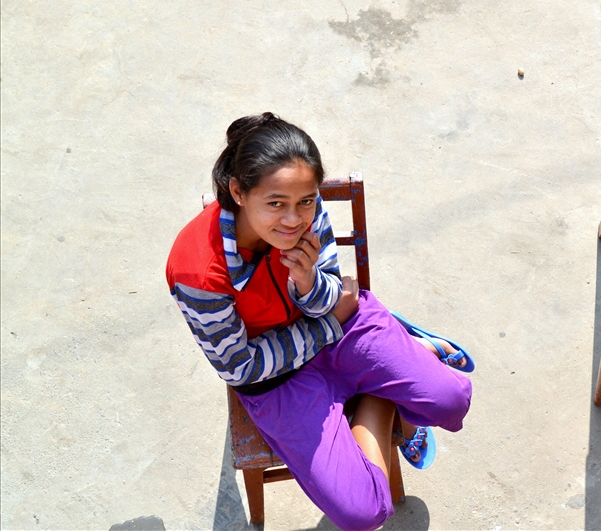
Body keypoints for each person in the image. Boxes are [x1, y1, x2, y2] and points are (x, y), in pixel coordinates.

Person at [165, 113, 472, 531]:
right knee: (363, 513)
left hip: (341, 331)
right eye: (275, 204)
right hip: (278, 380)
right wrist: (329, 324)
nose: (294, 221)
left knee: (452, 401)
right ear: (238, 191)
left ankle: (391, 368)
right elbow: (240, 366)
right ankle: (381, 392)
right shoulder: (198, 273)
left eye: (305, 202)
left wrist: (308, 282)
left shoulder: (307, 208)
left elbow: (335, 293)